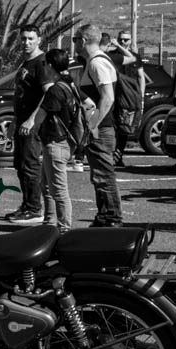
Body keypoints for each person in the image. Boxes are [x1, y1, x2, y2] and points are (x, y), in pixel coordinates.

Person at [74, 25, 123, 227]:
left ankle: (111, 217)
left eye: (75, 39)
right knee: (100, 175)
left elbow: (108, 98)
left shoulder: (96, 63)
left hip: (101, 129)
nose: (74, 43)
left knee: (103, 175)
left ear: (84, 40)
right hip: (100, 128)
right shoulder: (96, 61)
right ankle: (105, 216)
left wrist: (92, 125)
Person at [5, 26, 49, 225]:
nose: (26, 42)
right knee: (21, 165)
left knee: (30, 166)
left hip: (33, 125)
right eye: (23, 39)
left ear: (39, 39)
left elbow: (48, 92)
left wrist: (32, 118)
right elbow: (21, 94)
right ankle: (26, 205)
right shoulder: (26, 62)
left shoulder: (41, 62)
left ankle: (34, 209)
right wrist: (15, 120)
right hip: (21, 122)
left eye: (31, 38)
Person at [36, 48, 76, 230]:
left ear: (50, 66)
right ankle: (49, 223)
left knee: (59, 190)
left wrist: (29, 130)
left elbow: (40, 116)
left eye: (45, 64)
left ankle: (64, 228)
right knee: (46, 186)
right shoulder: (69, 84)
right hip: (63, 141)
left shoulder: (55, 90)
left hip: (55, 142)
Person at [104, 31, 144, 167]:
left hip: (129, 98)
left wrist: (140, 96)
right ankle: (111, 155)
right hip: (115, 95)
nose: (122, 42)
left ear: (131, 41)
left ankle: (118, 156)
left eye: (126, 40)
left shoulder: (135, 57)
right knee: (113, 127)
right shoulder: (113, 56)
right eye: (120, 40)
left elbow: (141, 76)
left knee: (124, 127)